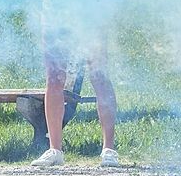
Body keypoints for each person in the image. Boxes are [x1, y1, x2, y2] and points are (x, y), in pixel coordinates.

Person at [31, 31, 120, 167]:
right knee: (54, 77)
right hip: (55, 14)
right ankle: (55, 150)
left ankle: (109, 149)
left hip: (90, 14)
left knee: (99, 75)